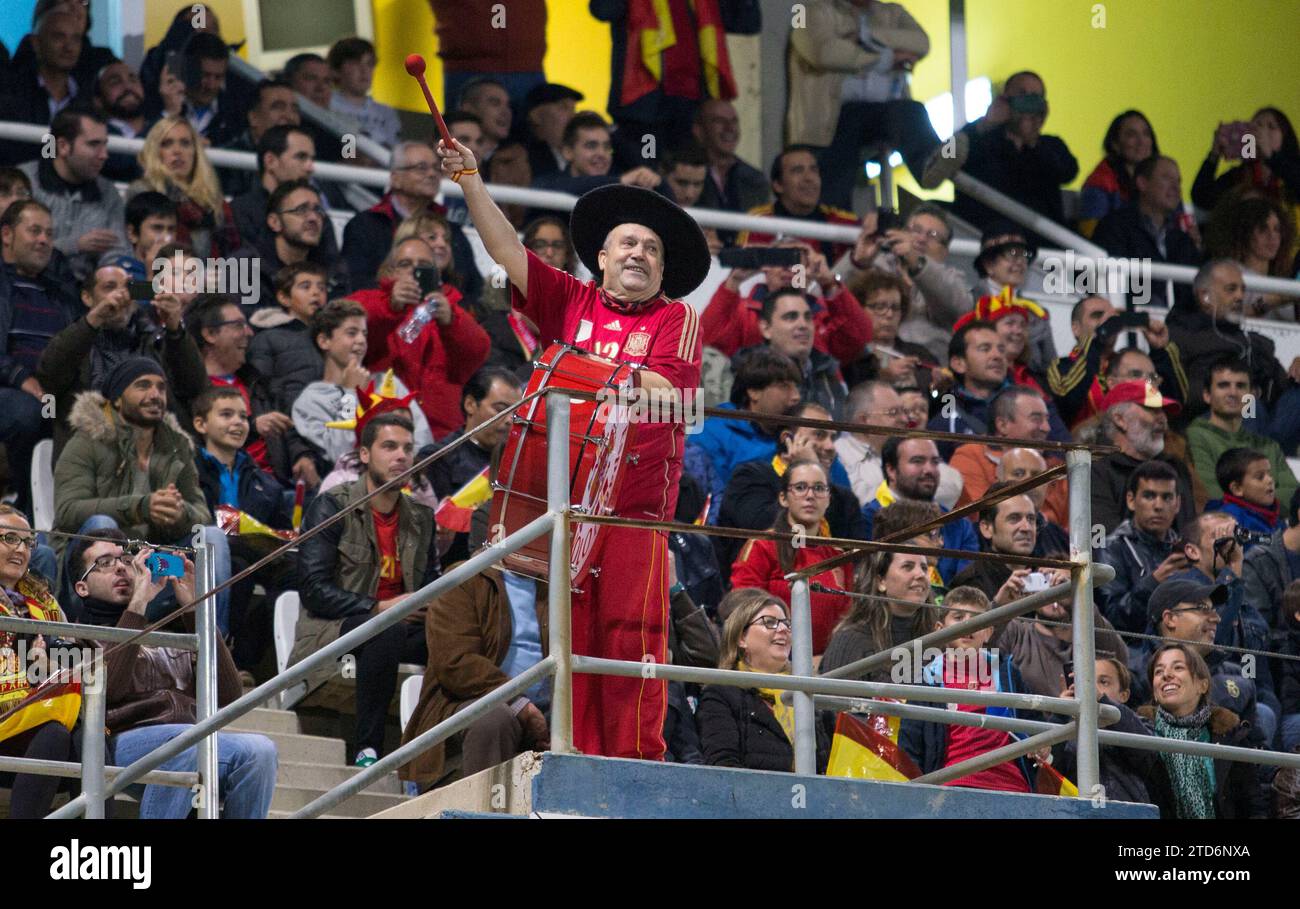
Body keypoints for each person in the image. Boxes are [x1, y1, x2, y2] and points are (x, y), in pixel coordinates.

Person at [440, 129, 712, 761]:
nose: (639, 252)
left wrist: (572, 368)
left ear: (664, 269)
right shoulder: (572, 299)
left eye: (651, 247)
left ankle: (635, 766)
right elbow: (506, 249)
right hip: (567, 509)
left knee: (633, 640)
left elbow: (672, 395)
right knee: (572, 642)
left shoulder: (677, 319)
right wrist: (471, 180)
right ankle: (579, 757)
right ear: (601, 255)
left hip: (632, 518)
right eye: (628, 243)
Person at [71, 530, 278, 818]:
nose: (121, 567)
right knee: (186, 741)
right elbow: (109, 693)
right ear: (82, 587)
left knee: (261, 751)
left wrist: (194, 608)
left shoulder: (169, 637)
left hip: (185, 739)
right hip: (120, 740)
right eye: (105, 562)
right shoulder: (76, 638)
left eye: (126, 560)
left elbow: (228, 694)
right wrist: (138, 606)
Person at [292, 414, 436, 766]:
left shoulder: (421, 517)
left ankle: (435, 751)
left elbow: (431, 583)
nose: (401, 456)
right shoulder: (332, 505)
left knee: (456, 635)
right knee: (385, 629)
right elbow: (313, 590)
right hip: (334, 629)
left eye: (407, 448)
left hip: (401, 627)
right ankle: (367, 749)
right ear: (366, 455)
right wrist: (380, 607)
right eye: (389, 446)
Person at [53, 358, 228, 625]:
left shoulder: (175, 446)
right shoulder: (87, 440)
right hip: (91, 571)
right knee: (102, 525)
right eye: (143, 386)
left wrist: (179, 513)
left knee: (212, 537)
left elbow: (201, 513)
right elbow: (67, 510)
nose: (155, 394)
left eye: (161, 387)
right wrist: (140, 506)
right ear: (118, 398)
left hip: (151, 568)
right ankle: (101, 632)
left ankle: (211, 650)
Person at [787, 0, 967, 210]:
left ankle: (928, 164)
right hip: (831, 124)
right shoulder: (805, 10)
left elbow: (921, 42)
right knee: (832, 200)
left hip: (881, 116)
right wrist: (887, 57)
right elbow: (822, 52)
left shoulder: (893, 12)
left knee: (910, 111)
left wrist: (864, 36)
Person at [399, 555, 550, 789]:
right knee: (492, 719)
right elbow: (456, 662)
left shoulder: (559, 585)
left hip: (548, 707)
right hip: (463, 703)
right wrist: (520, 704)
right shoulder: (464, 577)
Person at [36, 261, 205, 457]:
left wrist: (176, 329)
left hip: (156, 458)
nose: (121, 295)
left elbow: (195, 386)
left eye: (128, 287)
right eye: (109, 287)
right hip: (91, 459)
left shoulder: (155, 341)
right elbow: (49, 377)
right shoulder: (74, 342)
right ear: (87, 297)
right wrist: (94, 319)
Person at [897, 585, 1044, 792]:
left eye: (976, 619)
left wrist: (1042, 743)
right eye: (958, 618)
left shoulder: (1007, 672)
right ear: (940, 630)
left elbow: (1036, 724)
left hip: (1012, 786)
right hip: (950, 787)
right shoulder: (926, 679)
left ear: (988, 632)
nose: (968, 624)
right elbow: (909, 747)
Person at [191, 387, 294, 677]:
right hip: (196, 557)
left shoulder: (266, 482)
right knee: (237, 565)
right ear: (201, 424)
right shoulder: (185, 468)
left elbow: (282, 531)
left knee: (296, 574)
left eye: (243, 417)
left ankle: (276, 666)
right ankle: (223, 657)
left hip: (255, 559)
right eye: (226, 415)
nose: (238, 423)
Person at [347, 236, 491, 438]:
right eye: (405, 264)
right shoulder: (371, 299)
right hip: (384, 427)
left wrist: (451, 320)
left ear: (437, 273)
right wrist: (389, 305)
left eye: (423, 265)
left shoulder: (452, 310)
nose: (414, 271)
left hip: (442, 433)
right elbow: (346, 328)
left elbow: (479, 351)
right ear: (391, 271)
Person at [590, 0, 760, 160]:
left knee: (687, 179)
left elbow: (746, 22)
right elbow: (603, 9)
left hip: (692, 110)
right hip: (644, 112)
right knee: (646, 176)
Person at [716, 402, 864, 584]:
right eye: (819, 435)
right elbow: (762, 527)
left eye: (833, 437)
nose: (830, 446)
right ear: (788, 438)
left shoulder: (844, 499)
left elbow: (858, 561)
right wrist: (807, 468)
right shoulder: (750, 478)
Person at [0, 505, 79, 819]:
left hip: (32, 723)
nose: (21, 549)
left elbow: (76, 658)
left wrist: (46, 667)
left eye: (28, 543)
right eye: (9, 538)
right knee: (62, 732)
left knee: (88, 731)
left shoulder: (44, 601)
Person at [0, 198, 79, 513]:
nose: (44, 240)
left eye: (49, 233)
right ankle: (29, 509)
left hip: (52, 390)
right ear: (7, 234)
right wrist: (21, 378)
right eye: (34, 231)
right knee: (30, 412)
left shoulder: (61, 292)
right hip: (11, 388)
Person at [189, 295, 316, 486]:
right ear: (210, 334)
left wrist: (302, 456)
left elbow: (286, 425)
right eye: (238, 325)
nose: (249, 332)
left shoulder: (257, 383)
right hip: (229, 493)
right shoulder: (192, 392)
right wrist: (254, 427)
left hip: (278, 488)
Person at [697, 592, 828, 772]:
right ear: (741, 638)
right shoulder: (721, 694)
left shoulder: (809, 689)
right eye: (770, 622)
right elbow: (723, 765)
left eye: (787, 624)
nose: (783, 629)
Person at [292, 303, 433, 466]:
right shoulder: (310, 400)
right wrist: (350, 393)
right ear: (324, 341)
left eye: (364, 334)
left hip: (405, 481)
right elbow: (341, 454)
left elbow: (423, 440)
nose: (361, 340)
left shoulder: (388, 383)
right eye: (351, 333)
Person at [1137, 642, 1266, 818]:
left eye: (1178, 667)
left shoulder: (1230, 733)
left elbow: (1253, 805)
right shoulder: (1140, 732)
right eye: (1158, 671)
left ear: (1202, 685)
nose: (1166, 675)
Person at [1167, 259, 1293, 433]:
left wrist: (1294, 377)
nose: (1240, 297)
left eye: (1243, 290)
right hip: (1205, 427)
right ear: (1205, 297)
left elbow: (1280, 387)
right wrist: (1232, 391)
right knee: (1249, 405)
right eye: (1231, 289)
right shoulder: (1180, 337)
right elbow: (1176, 392)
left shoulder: (1253, 342)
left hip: (1260, 423)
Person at [819, 499, 939, 680]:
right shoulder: (851, 641)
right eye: (908, 567)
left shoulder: (938, 637)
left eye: (923, 568)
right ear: (880, 580)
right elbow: (831, 705)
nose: (920, 574)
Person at [702, 240, 871, 369]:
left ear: (810, 270)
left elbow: (857, 340)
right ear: (765, 268)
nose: (788, 269)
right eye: (779, 259)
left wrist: (828, 282)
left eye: (796, 261)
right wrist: (734, 281)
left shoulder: (823, 314)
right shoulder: (744, 311)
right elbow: (709, 344)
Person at [339, 141, 479, 295]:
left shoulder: (452, 231)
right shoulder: (364, 226)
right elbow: (355, 283)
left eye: (435, 168)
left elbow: (472, 289)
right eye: (421, 168)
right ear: (395, 178)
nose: (432, 174)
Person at [840, 204, 973, 365]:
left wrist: (917, 263)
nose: (921, 239)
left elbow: (962, 306)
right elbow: (827, 297)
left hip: (927, 372)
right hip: (870, 367)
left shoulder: (951, 279)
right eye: (916, 230)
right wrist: (857, 262)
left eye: (932, 235)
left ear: (945, 251)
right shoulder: (875, 267)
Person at [953, 71, 1079, 240]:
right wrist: (985, 123)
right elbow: (946, 155)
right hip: (984, 238)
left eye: (1036, 97)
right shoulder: (978, 139)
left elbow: (1069, 172)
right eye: (1022, 94)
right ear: (1004, 99)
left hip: (1043, 244)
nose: (1028, 102)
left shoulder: (1051, 145)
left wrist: (1033, 140)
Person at [422, 366, 523, 566]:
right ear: (470, 404)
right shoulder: (436, 458)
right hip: (450, 570)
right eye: (501, 409)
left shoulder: (518, 462)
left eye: (516, 412)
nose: (510, 420)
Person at [687, 347, 802, 522]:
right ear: (753, 392)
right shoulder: (712, 434)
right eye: (784, 386)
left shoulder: (800, 433)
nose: (796, 396)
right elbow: (711, 503)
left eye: (796, 387)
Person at [1046, 295, 1187, 430]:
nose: (1108, 321)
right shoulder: (1062, 367)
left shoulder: (1129, 367)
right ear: (1076, 328)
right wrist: (1099, 337)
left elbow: (1174, 402)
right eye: (1097, 315)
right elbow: (1067, 399)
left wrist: (1159, 352)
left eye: (1113, 317)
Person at [18, 109, 128, 280]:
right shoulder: (24, 183)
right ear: (63, 146)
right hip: (22, 286)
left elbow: (117, 255)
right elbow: (13, 251)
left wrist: (114, 280)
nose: (104, 155)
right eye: (93, 144)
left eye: (104, 144)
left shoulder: (109, 193)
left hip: (82, 296)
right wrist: (74, 245)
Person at [860, 437, 978, 584]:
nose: (929, 469)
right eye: (917, 461)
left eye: (935, 462)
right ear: (891, 470)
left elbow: (968, 585)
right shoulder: (868, 518)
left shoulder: (959, 524)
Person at [1092, 155, 1202, 310]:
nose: (1176, 187)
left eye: (1178, 181)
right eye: (1166, 178)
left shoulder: (1182, 238)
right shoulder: (1115, 226)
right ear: (1142, 183)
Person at [950, 385, 1068, 526]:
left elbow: (1071, 529)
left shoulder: (1055, 466)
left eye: (1046, 419)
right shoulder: (970, 456)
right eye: (1036, 419)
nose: (1046, 428)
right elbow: (980, 517)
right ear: (1003, 425)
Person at [1091, 380, 1197, 534]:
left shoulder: (1176, 468)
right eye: (1152, 409)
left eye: (1162, 411)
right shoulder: (1096, 471)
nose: (1163, 419)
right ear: (1119, 419)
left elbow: (1188, 532)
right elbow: (1102, 542)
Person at [835, 380, 962, 509]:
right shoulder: (838, 456)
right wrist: (917, 492)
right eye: (893, 413)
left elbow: (953, 483)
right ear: (864, 420)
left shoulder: (907, 448)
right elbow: (856, 503)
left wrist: (903, 491)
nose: (905, 419)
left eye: (903, 411)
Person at [1187, 356, 1298, 503]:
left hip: (1272, 522)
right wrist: (1265, 496)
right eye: (1223, 385)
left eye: (1240, 386)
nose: (1233, 393)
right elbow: (1213, 497)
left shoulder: (1269, 445)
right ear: (1207, 395)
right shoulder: (1196, 437)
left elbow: (1293, 494)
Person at [127, 116, 240, 259]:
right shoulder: (143, 192)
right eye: (167, 144)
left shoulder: (212, 201)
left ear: (195, 152)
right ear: (155, 151)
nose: (177, 151)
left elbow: (235, 251)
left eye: (185, 143)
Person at [1096, 460, 1186, 633]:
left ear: (1177, 504)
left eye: (1167, 497)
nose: (1158, 506)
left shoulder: (1187, 549)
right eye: (1149, 496)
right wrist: (1154, 582)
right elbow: (1113, 617)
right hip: (1134, 650)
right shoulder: (1112, 548)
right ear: (1131, 500)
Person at [734, 288, 850, 418]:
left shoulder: (828, 370)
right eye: (790, 317)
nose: (803, 325)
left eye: (808, 317)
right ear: (766, 328)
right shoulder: (746, 375)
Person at [235, 178, 344, 310]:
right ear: (275, 222)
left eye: (318, 210)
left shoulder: (333, 271)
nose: (313, 218)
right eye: (301, 210)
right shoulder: (244, 268)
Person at [736, 146, 858, 262]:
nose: (809, 178)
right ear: (778, 185)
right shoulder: (759, 223)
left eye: (814, 170)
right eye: (798, 171)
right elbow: (743, 277)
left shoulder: (840, 222)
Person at [230, 124, 329, 252]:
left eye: (312, 159)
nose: (310, 168)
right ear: (270, 161)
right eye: (301, 157)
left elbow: (331, 266)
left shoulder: (317, 213)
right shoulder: (240, 211)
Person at [246, 262, 327, 415]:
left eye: (322, 288)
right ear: (284, 298)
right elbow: (258, 390)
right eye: (305, 286)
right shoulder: (267, 338)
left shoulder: (332, 338)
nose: (316, 292)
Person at [1192, 107, 1300, 216]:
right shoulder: (1239, 175)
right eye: (1257, 126)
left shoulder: (1293, 170)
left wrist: (1271, 156)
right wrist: (1214, 154)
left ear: (1284, 138)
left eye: (1271, 127)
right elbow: (1201, 198)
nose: (1261, 132)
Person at [531, 111, 665, 197]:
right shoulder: (548, 184)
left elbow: (669, 198)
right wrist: (619, 182)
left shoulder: (621, 184)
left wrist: (655, 180)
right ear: (568, 152)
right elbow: (553, 189)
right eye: (591, 146)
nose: (602, 153)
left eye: (607, 147)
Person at [1206, 195, 1297, 321]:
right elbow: (1226, 317)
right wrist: (1276, 300)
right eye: (1263, 229)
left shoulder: (1280, 279)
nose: (1272, 236)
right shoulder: (1227, 270)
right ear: (1245, 232)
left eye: (1277, 229)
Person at [842, 269, 934, 389]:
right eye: (879, 307)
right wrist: (881, 376)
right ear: (858, 309)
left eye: (895, 307)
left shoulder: (920, 355)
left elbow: (935, 397)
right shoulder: (850, 357)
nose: (889, 314)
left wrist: (936, 387)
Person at [1078, 110, 1159, 236]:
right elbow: (1093, 238)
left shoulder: (1163, 181)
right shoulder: (1100, 183)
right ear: (1114, 144)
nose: (1141, 141)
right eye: (1131, 135)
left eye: (1146, 134)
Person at [692, 99, 770, 215]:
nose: (729, 128)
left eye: (734, 122)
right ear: (699, 130)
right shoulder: (685, 174)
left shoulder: (756, 179)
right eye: (719, 121)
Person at [327, 37, 400, 148]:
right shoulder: (326, 106)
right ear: (336, 70)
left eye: (369, 63)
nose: (364, 70)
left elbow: (395, 152)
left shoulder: (386, 112)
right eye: (355, 63)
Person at [996, 448, 1069, 557]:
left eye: (1037, 475)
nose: (1029, 481)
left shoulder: (1060, 538)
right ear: (999, 481)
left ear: (1046, 486)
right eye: (1019, 474)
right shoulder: (978, 536)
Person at [1206, 447, 1283, 539]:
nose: (1270, 480)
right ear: (1237, 489)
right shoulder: (1231, 519)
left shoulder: (1270, 513)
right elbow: (1256, 547)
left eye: (1269, 474)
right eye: (1259, 477)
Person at [90, 58, 147, 182]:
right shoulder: (96, 131)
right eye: (115, 82)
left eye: (133, 79)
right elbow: (122, 163)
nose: (128, 86)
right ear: (98, 101)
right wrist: (168, 113)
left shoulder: (160, 123)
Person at [523, 82, 583, 180]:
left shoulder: (579, 157)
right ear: (536, 116)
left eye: (574, 110)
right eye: (563, 107)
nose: (573, 117)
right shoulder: (522, 158)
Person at [115, 191, 178, 282]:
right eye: (157, 228)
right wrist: (152, 273)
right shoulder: (121, 274)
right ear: (132, 233)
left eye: (171, 229)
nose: (166, 238)